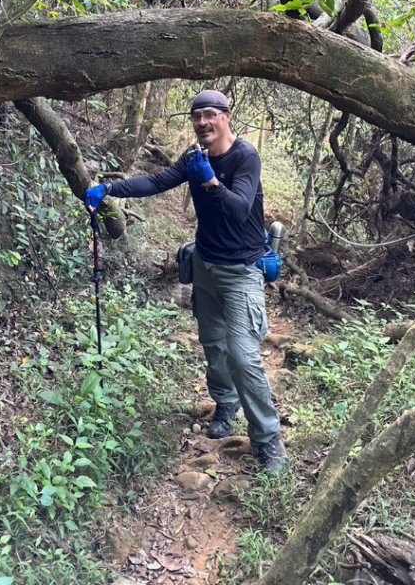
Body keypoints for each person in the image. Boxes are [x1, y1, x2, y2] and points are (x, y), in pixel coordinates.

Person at [85, 89, 287, 473]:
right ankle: (225, 403)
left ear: (228, 117)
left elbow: (240, 209)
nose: (203, 122)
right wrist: (110, 188)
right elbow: (157, 181)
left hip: (241, 271)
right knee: (213, 343)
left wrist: (211, 183)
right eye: (197, 116)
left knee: (243, 355)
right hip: (206, 265)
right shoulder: (194, 157)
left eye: (211, 115)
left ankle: (267, 438)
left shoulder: (245, 157)